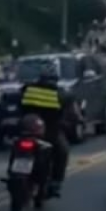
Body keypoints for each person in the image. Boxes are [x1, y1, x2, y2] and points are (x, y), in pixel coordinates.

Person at [19, 60, 69, 198]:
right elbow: (66, 113)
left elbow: (19, 105)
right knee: (62, 152)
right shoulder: (59, 94)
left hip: (24, 131)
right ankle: (56, 182)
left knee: (16, 146)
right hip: (48, 134)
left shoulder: (27, 89)